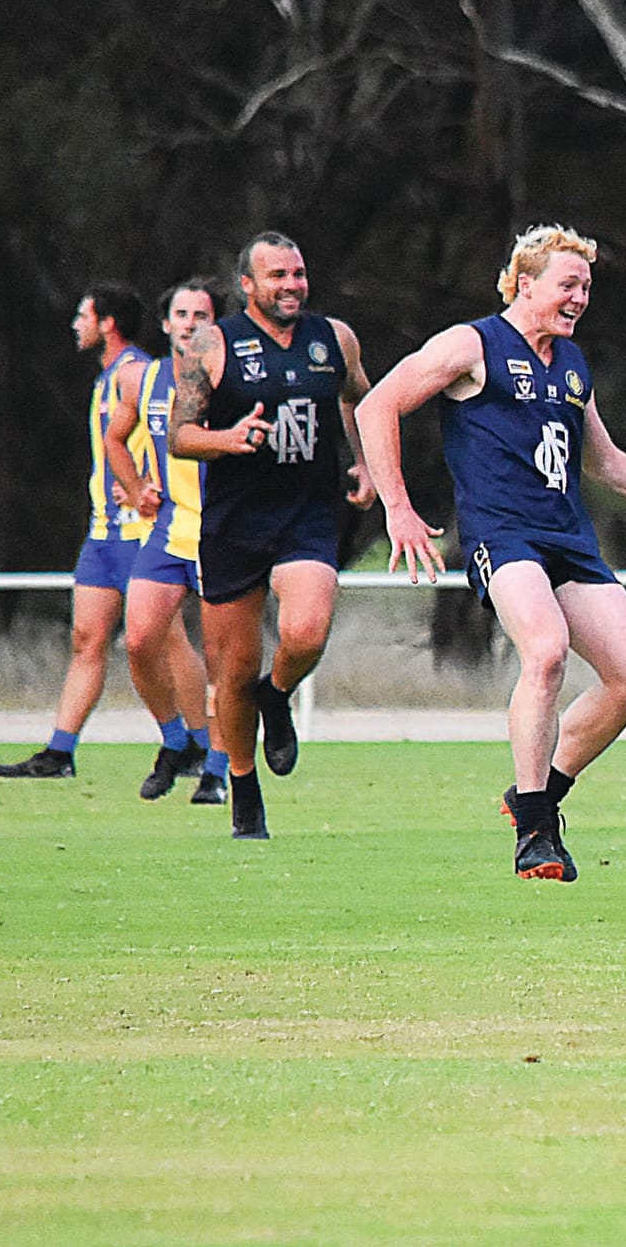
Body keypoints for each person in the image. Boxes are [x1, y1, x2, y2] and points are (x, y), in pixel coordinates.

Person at [357, 224, 626, 881]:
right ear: (524, 284)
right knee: (547, 650)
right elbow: (376, 406)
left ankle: (538, 796)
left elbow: (604, 461)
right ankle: (535, 832)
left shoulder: (570, 363)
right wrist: (398, 508)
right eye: (568, 285)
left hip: (567, 538)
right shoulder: (472, 345)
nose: (579, 298)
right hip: (502, 535)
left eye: (585, 287)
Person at [169, 232, 378, 840]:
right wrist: (228, 439)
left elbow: (360, 400)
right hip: (234, 523)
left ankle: (278, 694)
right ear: (247, 285)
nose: (291, 286)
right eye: (277, 276)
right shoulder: (212, 345)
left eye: (298, 274)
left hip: (306, 515)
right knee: (234, 674)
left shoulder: (333, 339)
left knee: (307, 630)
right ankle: (243, 787)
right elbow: (180, 435)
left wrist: (366, 464)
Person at [0, 286, 169, 783]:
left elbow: (165, 435)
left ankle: (191, 743)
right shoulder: (105, 379)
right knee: (86, 640)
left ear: (108, 323)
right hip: (103, 534)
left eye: (83, 315)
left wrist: (142, 485)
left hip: (140, 532)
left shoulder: (136, 372)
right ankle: (59, 752)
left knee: (160, 644)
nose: (76, 324)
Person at [103, 280, 229, 805]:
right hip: (170, 531)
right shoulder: (143, 377)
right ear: (165, 323)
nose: (190, 324)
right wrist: (136, 489)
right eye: (181, 314)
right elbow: (114, 439)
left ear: (216, 323)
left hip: (221, 533)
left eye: (201, 314)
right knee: (138, 641)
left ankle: (218, 769)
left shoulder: (230, 377)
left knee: (223, 661)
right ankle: (176, 741)